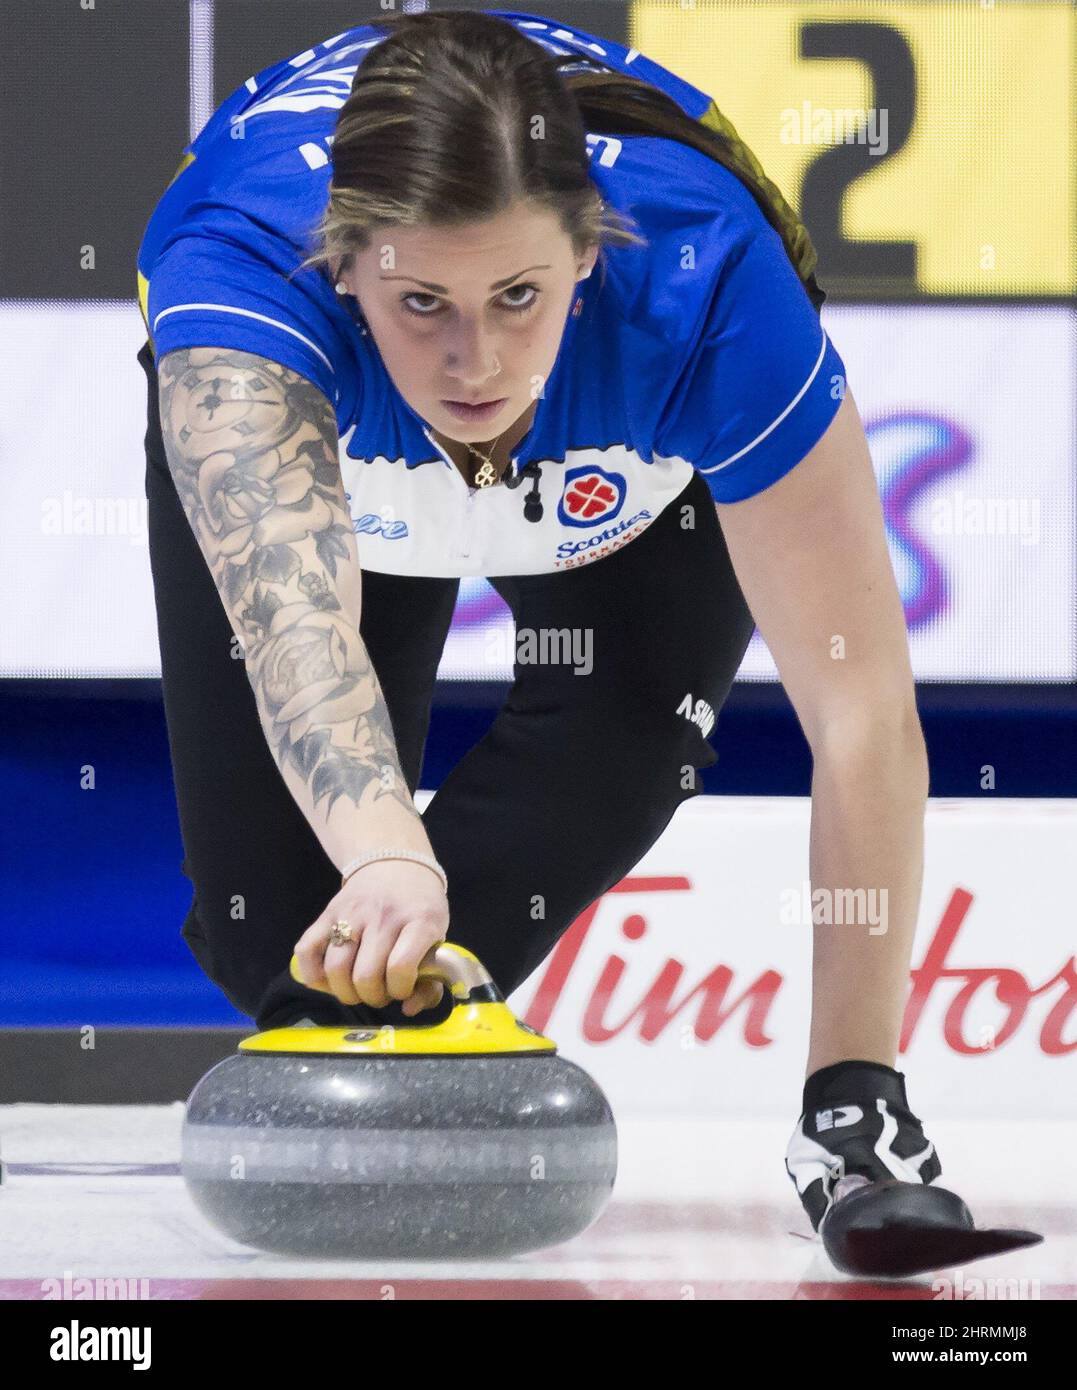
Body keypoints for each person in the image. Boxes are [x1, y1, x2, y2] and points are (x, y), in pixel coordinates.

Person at [136, 9, 940, 1242]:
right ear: (340, 263)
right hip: (340, 479)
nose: (478, 363)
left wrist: (857, 1101)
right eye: (422, 301)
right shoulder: (240, 281)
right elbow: (297, 631)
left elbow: (862, 710)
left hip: (629, 504)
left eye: (520, 293)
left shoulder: (706, 276)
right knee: (290, 936)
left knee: (601, 767)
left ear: (588, 251)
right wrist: (390, 858)